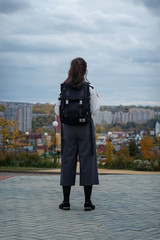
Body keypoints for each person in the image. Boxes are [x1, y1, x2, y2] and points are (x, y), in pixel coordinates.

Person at [55, 57, 100, 211]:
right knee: (88, 161)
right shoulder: (90, 89)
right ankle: (87, 202)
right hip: (85, 127)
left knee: (67, 161)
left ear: (70, 69)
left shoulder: (63, 88)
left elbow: (57, 110)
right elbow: (94, 110)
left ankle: (66, 201)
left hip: (68, 128)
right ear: (85, 70)